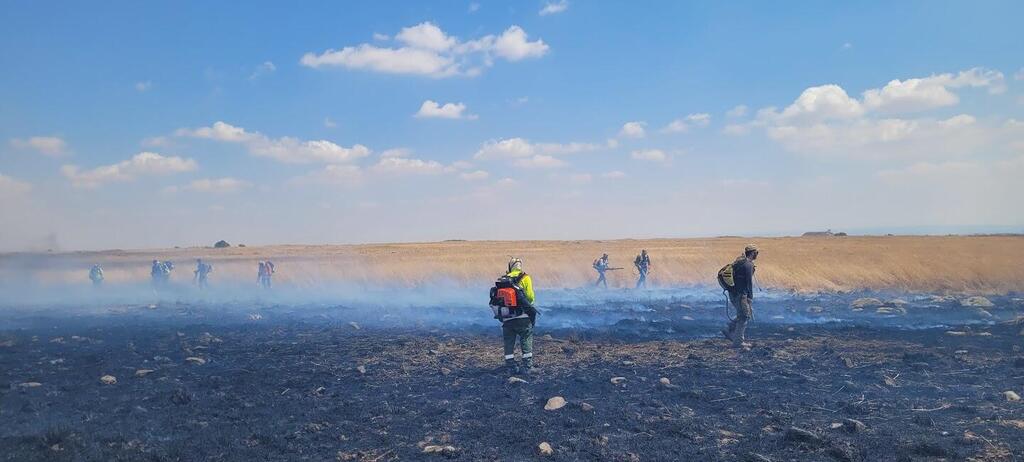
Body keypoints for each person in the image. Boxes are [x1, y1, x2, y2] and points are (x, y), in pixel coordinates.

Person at [492, 257, 537, 374]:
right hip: (523, 316)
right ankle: (527, 367)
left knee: (508, 342)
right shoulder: (525, 278)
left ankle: (510, 366)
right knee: (526, 338)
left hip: (507, 317)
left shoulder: (503, 280)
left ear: (510, 266)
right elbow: (530, 297)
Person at [722, 244, 758, 349]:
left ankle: (728, 329)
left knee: (742, 314)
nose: (757, 254)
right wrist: (750, 297)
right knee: (744, 316)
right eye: (756, 252)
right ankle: (738, 342)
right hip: (741, 294)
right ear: (752, 253)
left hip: (733, 293)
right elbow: (748, 283)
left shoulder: (739, 263)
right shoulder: (748, 265)